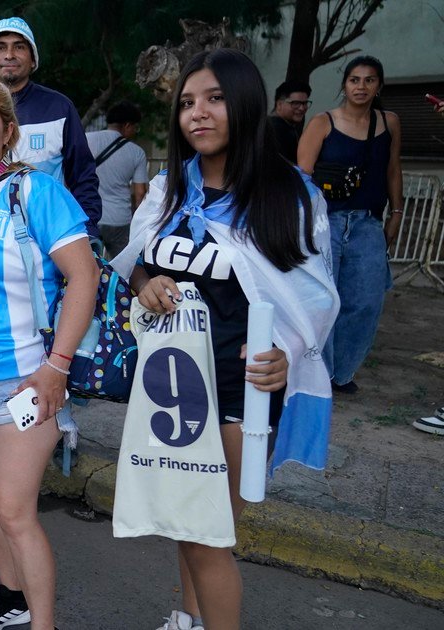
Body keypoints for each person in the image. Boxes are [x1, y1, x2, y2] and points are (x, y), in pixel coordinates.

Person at [115, 48, 338, 630]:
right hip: (172, 391)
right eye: (187, 102)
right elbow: (134, 264)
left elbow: (313, 296)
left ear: (244, 104)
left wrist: (287, 353)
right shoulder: (168, 190)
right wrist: (146, 282)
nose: (198, 113)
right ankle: (186, 617)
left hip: (241, 395)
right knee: (187, 525)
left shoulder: (287, 194)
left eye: (214, 99)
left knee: (207, 534)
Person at [0, 76, 99, 630]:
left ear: (8, 131)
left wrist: (57, 368)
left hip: (24, 382)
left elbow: (84, 278)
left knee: (14, 509)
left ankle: (42, 623)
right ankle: (12, 597)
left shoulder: (36, 191)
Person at [297, 55, 403, 395]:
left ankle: (342, 372)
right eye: (354, 79)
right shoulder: (322, 122)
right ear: (344, 84)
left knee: (366, 302)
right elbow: (302, 177)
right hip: (325, 222)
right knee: (322, 299)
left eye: (369, 80)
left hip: (367, 224)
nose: (361, 86)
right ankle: (319, 374)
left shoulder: (390, 122)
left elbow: (393, 168)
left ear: (379, 86)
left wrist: (397, 213)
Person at [0, 16, 102, 239]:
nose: (9, 55)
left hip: (48, 237)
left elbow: (83, 176)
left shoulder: (59, 107)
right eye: (0, 47)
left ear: (33, 60)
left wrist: (88, 232)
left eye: (19, 47)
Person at [86, 101, 149, 258]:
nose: (135, 131)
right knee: (123, 268)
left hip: (89, 216)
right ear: (127, 125)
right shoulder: (137, 152)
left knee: (89, 267)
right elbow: (140, 193)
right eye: (135, 127)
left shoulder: (86, 140)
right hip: (119, 220)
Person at [268, 81, 312, 163]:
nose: (302, 108)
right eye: (295, 103)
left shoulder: (270, 125)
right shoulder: (277, 130)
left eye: (305, 103)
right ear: (279, 104)